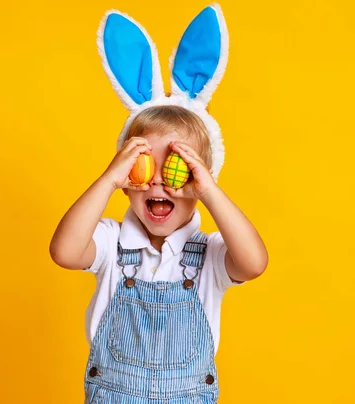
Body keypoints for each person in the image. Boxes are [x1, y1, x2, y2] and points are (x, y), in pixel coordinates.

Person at [50, 4, 268, 403]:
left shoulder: (211, 257)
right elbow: (64, 252)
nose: (157, 182)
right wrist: (107, 179)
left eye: (177, 169)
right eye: (143, 166)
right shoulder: (111, 245)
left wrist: (209, 191)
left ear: (201, 178)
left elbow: (254, 263)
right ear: (125, 178)